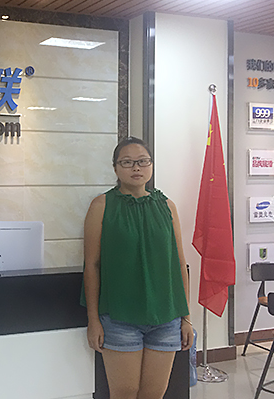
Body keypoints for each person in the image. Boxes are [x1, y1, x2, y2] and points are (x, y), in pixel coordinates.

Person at [83, 137, 193, 399]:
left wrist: (186, 317)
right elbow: (92, 266)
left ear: (151, 165)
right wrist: (93, 320)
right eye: (127, 162)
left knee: (154, 393)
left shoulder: (167, 206)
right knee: (124, 392)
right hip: (119, 318)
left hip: (166, 317)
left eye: (143, 161)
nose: (136, 168)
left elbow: (179, 263)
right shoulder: (102, 205)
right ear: (115, 167)